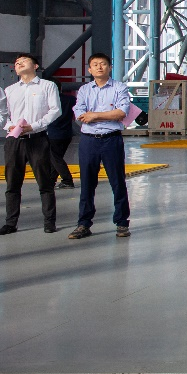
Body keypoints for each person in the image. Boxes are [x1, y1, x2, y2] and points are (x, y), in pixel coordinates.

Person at [67, 53, 133, 240]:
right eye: (95, 64)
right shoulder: (84, 89)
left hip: (111, 140)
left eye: (103, 64)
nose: (99, 67)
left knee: (117, 182)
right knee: (87, 183)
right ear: (90, 69)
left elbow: (121, 112)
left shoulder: (119, 87)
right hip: (89, 141)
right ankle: (83, 223)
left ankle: (122, 222)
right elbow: (80, 112)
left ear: (110, 67)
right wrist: (105, 115)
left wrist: (94, 115)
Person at [1, 53, 59, 234]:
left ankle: (49, 222)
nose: (19, 63)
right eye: (16, 62)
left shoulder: (47, 86)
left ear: (35, 66)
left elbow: (55, 110)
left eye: (24, 61)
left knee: (45, 183)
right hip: (14, 141)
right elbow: (3, 114)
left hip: (37, 139)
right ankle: (11, 223)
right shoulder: (10, 90)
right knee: (12, 184)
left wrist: (33, 126)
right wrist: (9, 126)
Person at [47, 81, 77, 190]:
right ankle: (51, 180)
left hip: (53, 134)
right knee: (57, 158)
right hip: (67, 134)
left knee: (55, 158)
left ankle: (67, 180)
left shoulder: (48, 101)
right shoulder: (71, 99)